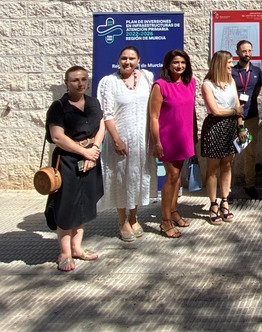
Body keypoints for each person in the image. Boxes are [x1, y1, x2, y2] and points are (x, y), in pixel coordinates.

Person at [44, 66, 105, 272]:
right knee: (66, 205)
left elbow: (101, 125)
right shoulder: (59, 107)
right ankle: (64, 253)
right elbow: (57, 137)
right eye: (75, 80)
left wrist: (94, 149)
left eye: (83, 79)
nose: (80, 83)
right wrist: (84, 153)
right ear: (66, 83)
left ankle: (77, 247)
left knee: (85, 204)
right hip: (68, 161)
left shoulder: (93, 103)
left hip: (90, 158)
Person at [98, 46, 156, 242]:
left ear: (138, 60)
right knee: (121, 179)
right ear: (118, 60)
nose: (127, 62)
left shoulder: (147, 78)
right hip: (120, 141)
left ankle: (134, 216)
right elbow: (107, 114)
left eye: (132, 58)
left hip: (142, 141)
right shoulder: (109, 82)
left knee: (137, 178)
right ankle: (122, 219)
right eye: (124, 58)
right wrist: (116, 139)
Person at [148, 49, 197, 237]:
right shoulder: (160, 86)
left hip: (184, 136)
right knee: (171, 176)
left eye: (183, 63)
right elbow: (153, 117)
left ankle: (174, 211)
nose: (180, 66)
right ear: (168, 64)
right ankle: (165, 221)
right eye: (176, 62)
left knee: (178, 177)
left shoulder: (190, 82)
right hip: (167, 138)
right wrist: (156, 142)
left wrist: (194, 134)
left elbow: (190, 111)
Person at [201, 50, 243, 225]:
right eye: (229, 62)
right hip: (215, 127)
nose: (232, 66)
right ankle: (213, 204)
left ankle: (225, 200)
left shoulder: (231, 81)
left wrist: (241, 126)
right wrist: (234, 112)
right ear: (220, 64)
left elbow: (237, 105)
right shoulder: (207, 84)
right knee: (213, 168)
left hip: (231, 126)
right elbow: (216, 110)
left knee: (227, 165)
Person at [231, 40, 262, 200]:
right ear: (238, 52)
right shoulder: (231, 71)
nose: (247, 54)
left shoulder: (257, 71)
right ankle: (227, 187)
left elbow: (256, 91)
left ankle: (249, 184)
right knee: (231, 153)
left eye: (249, 50)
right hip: (232, 118)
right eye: (244, 51)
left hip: (251, 117)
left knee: (249, 153)